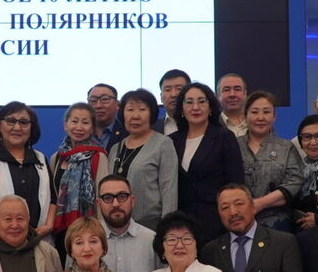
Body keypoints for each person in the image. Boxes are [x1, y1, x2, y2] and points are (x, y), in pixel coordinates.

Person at [169, 81, 244, 243]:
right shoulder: (171, 141)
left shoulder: (224, 137)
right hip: (181, 222)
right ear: (181, 109)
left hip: (215, 220)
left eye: (201, 101)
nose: (195, 107)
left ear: (211, 107)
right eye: (189, 102)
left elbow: (236, 182)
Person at [106, 89, 178, 231]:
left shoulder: (163, 144)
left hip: (151, 227)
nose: (135, 116)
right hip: (117, 227)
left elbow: (169, 190)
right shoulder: (115, 148)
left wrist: (167, 229)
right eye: (130, 109)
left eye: (142, 109)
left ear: (152, 113)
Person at [238, 90, 306, 234]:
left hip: (277, 223)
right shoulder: (233, 145)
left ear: (274, 116)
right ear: (245, 115)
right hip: (239, 220)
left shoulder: (286, 147)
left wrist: (260, 203)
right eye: (254, 112)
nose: (260, 117)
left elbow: (295, 182)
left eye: (266, 112)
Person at [0, 102, 54, 239]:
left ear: (32, 128)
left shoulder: (40, 158)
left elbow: (53, 198)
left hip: (41, 239)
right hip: (2, 241)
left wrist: (49, 226)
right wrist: (14, 232)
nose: (17, 127)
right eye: (10, 121)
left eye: (23, 122)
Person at [50, 103, 107, 245]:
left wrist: (101, 230)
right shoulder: (57, 157)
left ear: (92, 128)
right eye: (74, 121)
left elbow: (102, 197)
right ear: (65, 125)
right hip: (60, 230)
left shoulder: (98, 156)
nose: (79, 127)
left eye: (85, 123)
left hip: (89, 230)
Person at [86, 83, 125, 148]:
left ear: (117, 104)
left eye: (105, 99)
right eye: (93, 100)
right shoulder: (79, 132)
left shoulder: (127, 133)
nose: (98, 106)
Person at [156, 69, 190, 136]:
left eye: (179, 89)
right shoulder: (151, 128)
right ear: (161, 97)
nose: (173, 94)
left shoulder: (202, 124)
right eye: (168, 90)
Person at [216, 73, 249, 138]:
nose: (232, 94)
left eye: (237, 89)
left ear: (245, 94)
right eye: (226, 90)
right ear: (218, 95)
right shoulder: (210, 125)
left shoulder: (257, 123)